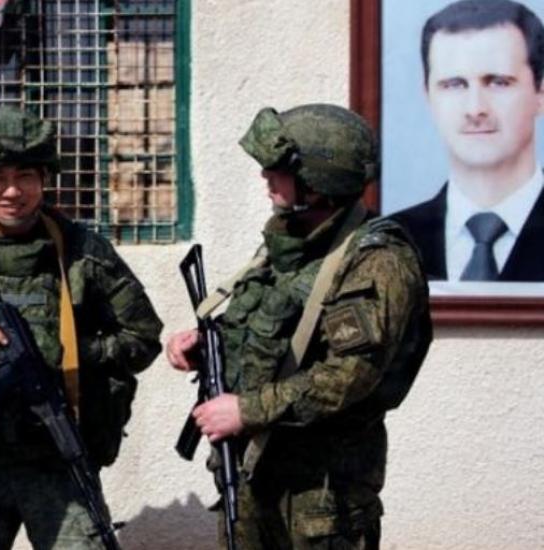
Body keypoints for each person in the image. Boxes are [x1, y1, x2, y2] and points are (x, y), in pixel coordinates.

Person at [166, 104, 432, 549]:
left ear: (318, 182)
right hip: (254, 477)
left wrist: (247, 410)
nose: (266, 177)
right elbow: (274, 331)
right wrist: (208, 347)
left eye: (280, 170)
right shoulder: (291, 243)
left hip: (320, 495)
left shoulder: (377, 261)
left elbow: (346, 377)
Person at [0, 109, 164, 550]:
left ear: (45, 179)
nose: (12, 192)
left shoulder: (83, 251)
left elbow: (142, 338)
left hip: (57, 460)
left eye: (25, 176)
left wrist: (71, 354)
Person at [391, 0, 544, 281]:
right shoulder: (390, 242)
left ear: (541, 93)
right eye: (454, 85)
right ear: (428, 96)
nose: (475, 109)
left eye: (498, 82)